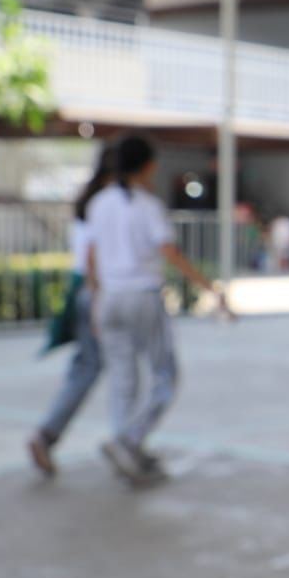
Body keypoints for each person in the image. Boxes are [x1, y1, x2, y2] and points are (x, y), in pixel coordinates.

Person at [86, 134, 231, 485]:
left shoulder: (100, 203)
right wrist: (211, 289)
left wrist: (95, 301)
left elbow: (91, 256)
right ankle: (129, 440)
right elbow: (171, 253)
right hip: (142, 295)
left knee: (123, 379)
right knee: (165, 376)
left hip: (110, 298)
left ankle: (125, 443)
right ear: (148, 165)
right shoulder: (147, 206)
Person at [27, 145, 118, 476]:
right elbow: (96, 256)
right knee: (103, 366)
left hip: (86, 287)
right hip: (99, 290)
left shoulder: (89, 199)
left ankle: (49, 434)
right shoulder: (109, 202)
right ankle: (50, 434)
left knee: (89, 366)